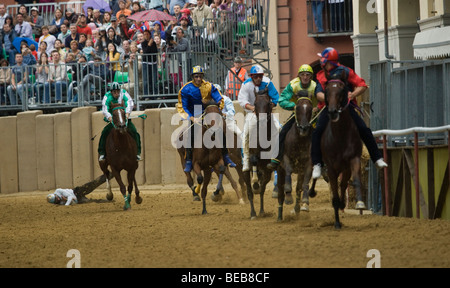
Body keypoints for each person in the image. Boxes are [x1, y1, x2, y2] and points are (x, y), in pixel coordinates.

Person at [311, 47, 388, 179]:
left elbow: (362, 85)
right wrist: (331, 100)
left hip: (346, 107)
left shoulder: (346, 72)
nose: (321, 61)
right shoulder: (321, 75)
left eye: (322, 59)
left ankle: (377, 158)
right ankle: (317, 164)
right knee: (317, 131)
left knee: (364, 129)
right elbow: (318, 93)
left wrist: (353, 94)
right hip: (327, 108)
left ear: (328, 62)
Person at [177, 65, 236, 172]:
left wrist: (218, 104)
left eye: (200, 76)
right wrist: (192, 118)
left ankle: (225, 156)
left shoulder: (209, 86)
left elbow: (219, 98)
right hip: (193, 115)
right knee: (191, 134)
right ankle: (189, 160)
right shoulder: (185, 89)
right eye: (196, 77)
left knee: (220, 130)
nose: (198, 79)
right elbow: (183, 106)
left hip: (207, 112)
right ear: (192, 77)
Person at [266, 64, 320, 170]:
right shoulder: (293, 85)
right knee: (283, 131)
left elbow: (323, 100)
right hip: (298, 113)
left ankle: (323, 164)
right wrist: (294, 107)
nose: (305, 77)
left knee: (322, 133)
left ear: (311, 77)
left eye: (308, 75)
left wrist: (317, 108)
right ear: (299, 76)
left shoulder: (315, 86)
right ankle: (276, 159)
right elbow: (281, 100)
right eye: (303, 75)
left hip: (313, 114)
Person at [238, 64, 280, 172]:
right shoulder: (246, 85)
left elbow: (275, 97)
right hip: (252, 113)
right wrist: (253, 108)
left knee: (279, 128)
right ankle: (246, 159)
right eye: (255, 76)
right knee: (246, 133)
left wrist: (269, 106)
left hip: (266, 112)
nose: (258, 79)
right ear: (251, 77)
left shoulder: (267, 83)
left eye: (260, 76)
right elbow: (242, 100)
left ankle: (276, 157)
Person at [98, 82, 142, 161]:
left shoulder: (124, 93)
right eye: (114, 92)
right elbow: (105, 109)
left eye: (118, 91)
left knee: (134, 131)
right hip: (114, 120)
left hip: (123, 118)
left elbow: (130, 103)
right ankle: (102, 153)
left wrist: (127, 113)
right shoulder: (107, 96)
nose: (117, 93)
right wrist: (109, 117)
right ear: (111, 92)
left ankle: (138, 153)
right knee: (104, 132)